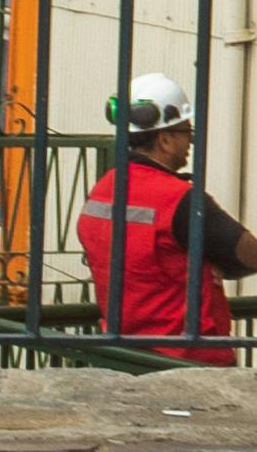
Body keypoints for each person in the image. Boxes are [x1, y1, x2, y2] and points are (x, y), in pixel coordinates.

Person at [73, 75, 255, 350]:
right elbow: (248, 252)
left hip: (123, 352)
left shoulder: (104, 188)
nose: (190, 142)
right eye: (187, 132)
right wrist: (220, 265)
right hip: (187, 358)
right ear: (166, 140)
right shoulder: (178, 199)